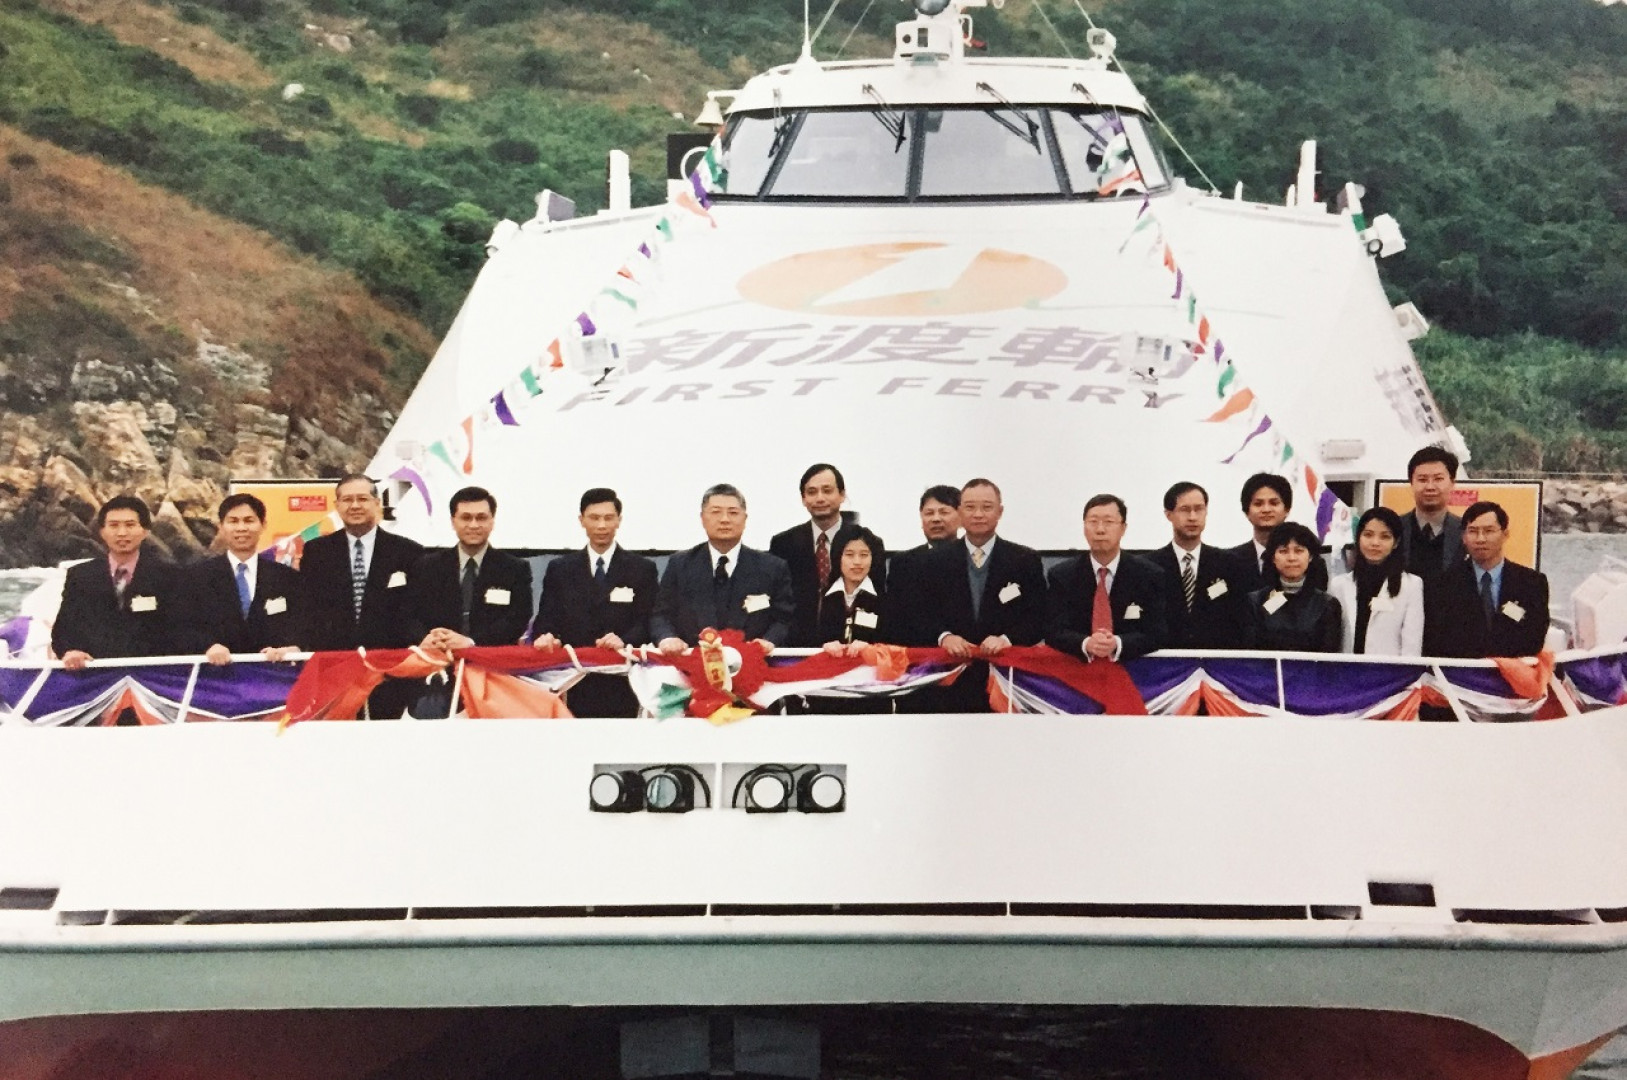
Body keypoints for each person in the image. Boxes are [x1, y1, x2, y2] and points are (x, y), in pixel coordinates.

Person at [297, 474, 424, 717]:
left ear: (377, 504)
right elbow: (308, 610)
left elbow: (414, 612)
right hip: (334, 672)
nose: (355, 506)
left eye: (362, 499)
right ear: (337, 506)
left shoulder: (409, 552)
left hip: (390, 675)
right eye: (347, 500)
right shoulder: (317, 552)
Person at [917, 478, 1046, 712]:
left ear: (1000, 511)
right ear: (959, 511)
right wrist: (945, 637)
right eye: (970, 507)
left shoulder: (1024, 560)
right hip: (948, 680)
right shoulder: (933, 561)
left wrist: (1006, 639)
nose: (978, 514)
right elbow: (921, 614)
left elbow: (1038, 617)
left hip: (1006, 681)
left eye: (987, 507)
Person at [532, 488, 659, 717]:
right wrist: (548, 636)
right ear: (581, 520)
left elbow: (649, 621)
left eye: (608, 518)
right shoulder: (560, 569)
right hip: (574, 680)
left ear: (619, 521)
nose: (601, 525)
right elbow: (546, 620)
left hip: (624, 680)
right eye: (594, 518)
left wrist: (624, 640)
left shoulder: (642, 569)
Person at [652, 484, 794, 654]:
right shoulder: (680, 564)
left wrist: (770, 641)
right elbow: (660, 615)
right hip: (691, 665)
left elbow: (784, 619)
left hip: (753, 663)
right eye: (716, 512)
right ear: (703, 518)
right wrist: (667, 637)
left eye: (733, 513)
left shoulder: (772, 567)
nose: (725, 519)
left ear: (745, 518)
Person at [174, 493, 305, 664]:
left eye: (249, 521)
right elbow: (182, 627)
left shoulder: (287, 578)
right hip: (215, 680)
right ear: (221, 526)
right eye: (233, 521)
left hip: (272, 676)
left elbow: (303, 626)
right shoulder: (196, 577)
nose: (241, 528)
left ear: (263, 525)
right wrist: (208, 646)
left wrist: (290, 648)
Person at [52, 495, 178, 670]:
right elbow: (64, 628)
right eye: (114, 525)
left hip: (152, 676)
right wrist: (71, 650)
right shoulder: (81, 576)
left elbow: (180, 628)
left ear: (145, 531)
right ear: (102, 531)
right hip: (94, 675)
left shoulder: (170, 575)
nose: (122, 533)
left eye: (130, 525)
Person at [769, 464, 885, 648]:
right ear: (803, 498)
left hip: (852, 647)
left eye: (827, 490)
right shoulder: (783, 544)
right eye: (812, 492)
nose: (820, 498)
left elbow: (876, 601)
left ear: (842, 494)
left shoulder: (868, 543)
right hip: (797, 648)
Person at [404, 486, 534, 651]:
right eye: (466, 518)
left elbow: (518, 619)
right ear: (453, 521)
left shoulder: (515, 569)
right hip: (436, 659)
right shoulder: (426, 567)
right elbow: (408, 614)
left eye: (481, 518)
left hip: (491, 663)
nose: (473, 525)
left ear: (492, 521)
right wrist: (425, 638)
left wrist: (471, 642)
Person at [1045, 494, 1169, 663]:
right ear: (1084, 527)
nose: (1100, 529)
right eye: (1093, 522)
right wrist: (1086, 643)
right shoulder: (1062, 575)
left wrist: (1117, 643)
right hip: (1077, 672)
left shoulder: (1148, 575)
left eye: (1108, 522)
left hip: (1133, 673)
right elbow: (1053, 631)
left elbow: (1157, 632)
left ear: (1123, 528)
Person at [1423, 500, 1549, 658]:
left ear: (1505, 535)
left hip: (1513, 674)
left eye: (1489, 531)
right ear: (1463, 537)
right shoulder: (1441, 584)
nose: (1480, 539)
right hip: (1460, 676)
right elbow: (1437, 640)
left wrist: (1497, 663)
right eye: (1473, 531)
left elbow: (1534, 638)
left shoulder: (1532, 582)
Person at [1145, 481, 1248, 650]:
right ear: (1168, 514)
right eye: (1185, 510)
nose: (1193, 517)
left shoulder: (1229, 564)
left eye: (1199, 509)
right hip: (1165, 665)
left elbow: (1241, 621)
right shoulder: (1148, 566)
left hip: (1217, 666)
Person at [1328, 507, 1424, 656]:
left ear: (1396, 542)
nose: (1375, 543)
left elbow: (1412, 644)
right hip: (1348, 672)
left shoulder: (1411, 585)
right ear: (1358, 538)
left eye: (1385, 537)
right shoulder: (1339, 584)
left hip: (1391, 676)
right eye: (1368, 535)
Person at [1242, 521, 1342, 653]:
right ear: (1273, 557)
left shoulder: (1327, 605)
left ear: (1310, 556)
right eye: (1283, 551)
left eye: (1299, 551)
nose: (1291, 558)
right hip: (1266, 673)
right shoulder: (1255, 602)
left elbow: (1329, 655)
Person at [884, 484, 961, 647]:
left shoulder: (974, 561)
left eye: (944, 512)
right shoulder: (902, 563)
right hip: (916, 659)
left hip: (964, 656)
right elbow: (895, 619)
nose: (936, 519)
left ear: (961, 517)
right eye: (929, 513)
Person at [1227, 473, 1328, 592]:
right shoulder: (1230, 560)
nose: (1266, 510)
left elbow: (1316, 603)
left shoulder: (1310, 561)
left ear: (1287, 509)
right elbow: (1214, 597)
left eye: (1274, 503)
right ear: (1246, 511)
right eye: (1258, 504)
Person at [1398, 445, 1465, 581]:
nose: (1430, 486)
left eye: (1438, 479)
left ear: (1452, 482)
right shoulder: (1394, 529)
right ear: (1411, 483)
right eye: (1422, 480)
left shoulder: (1466, 531)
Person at [818, 529, 888, 652]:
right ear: (838, 557)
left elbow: (895, 642)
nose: (857, 562)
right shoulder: (821, 597)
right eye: (849, 555)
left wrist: (871, 647)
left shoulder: (885, 598)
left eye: (864, 555)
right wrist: (823, 645)